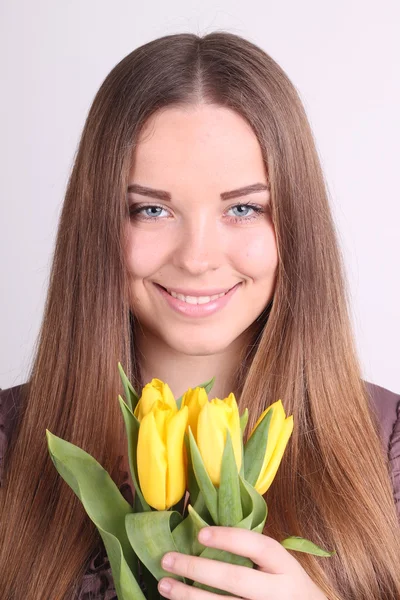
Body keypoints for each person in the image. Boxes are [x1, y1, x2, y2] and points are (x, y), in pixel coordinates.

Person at [0, 31, 399, 600]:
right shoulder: (8, 447)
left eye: (243, 208)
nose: (197, 257)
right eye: (152, 209)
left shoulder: (388, 447)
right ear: (98, 224)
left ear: (295, 222)